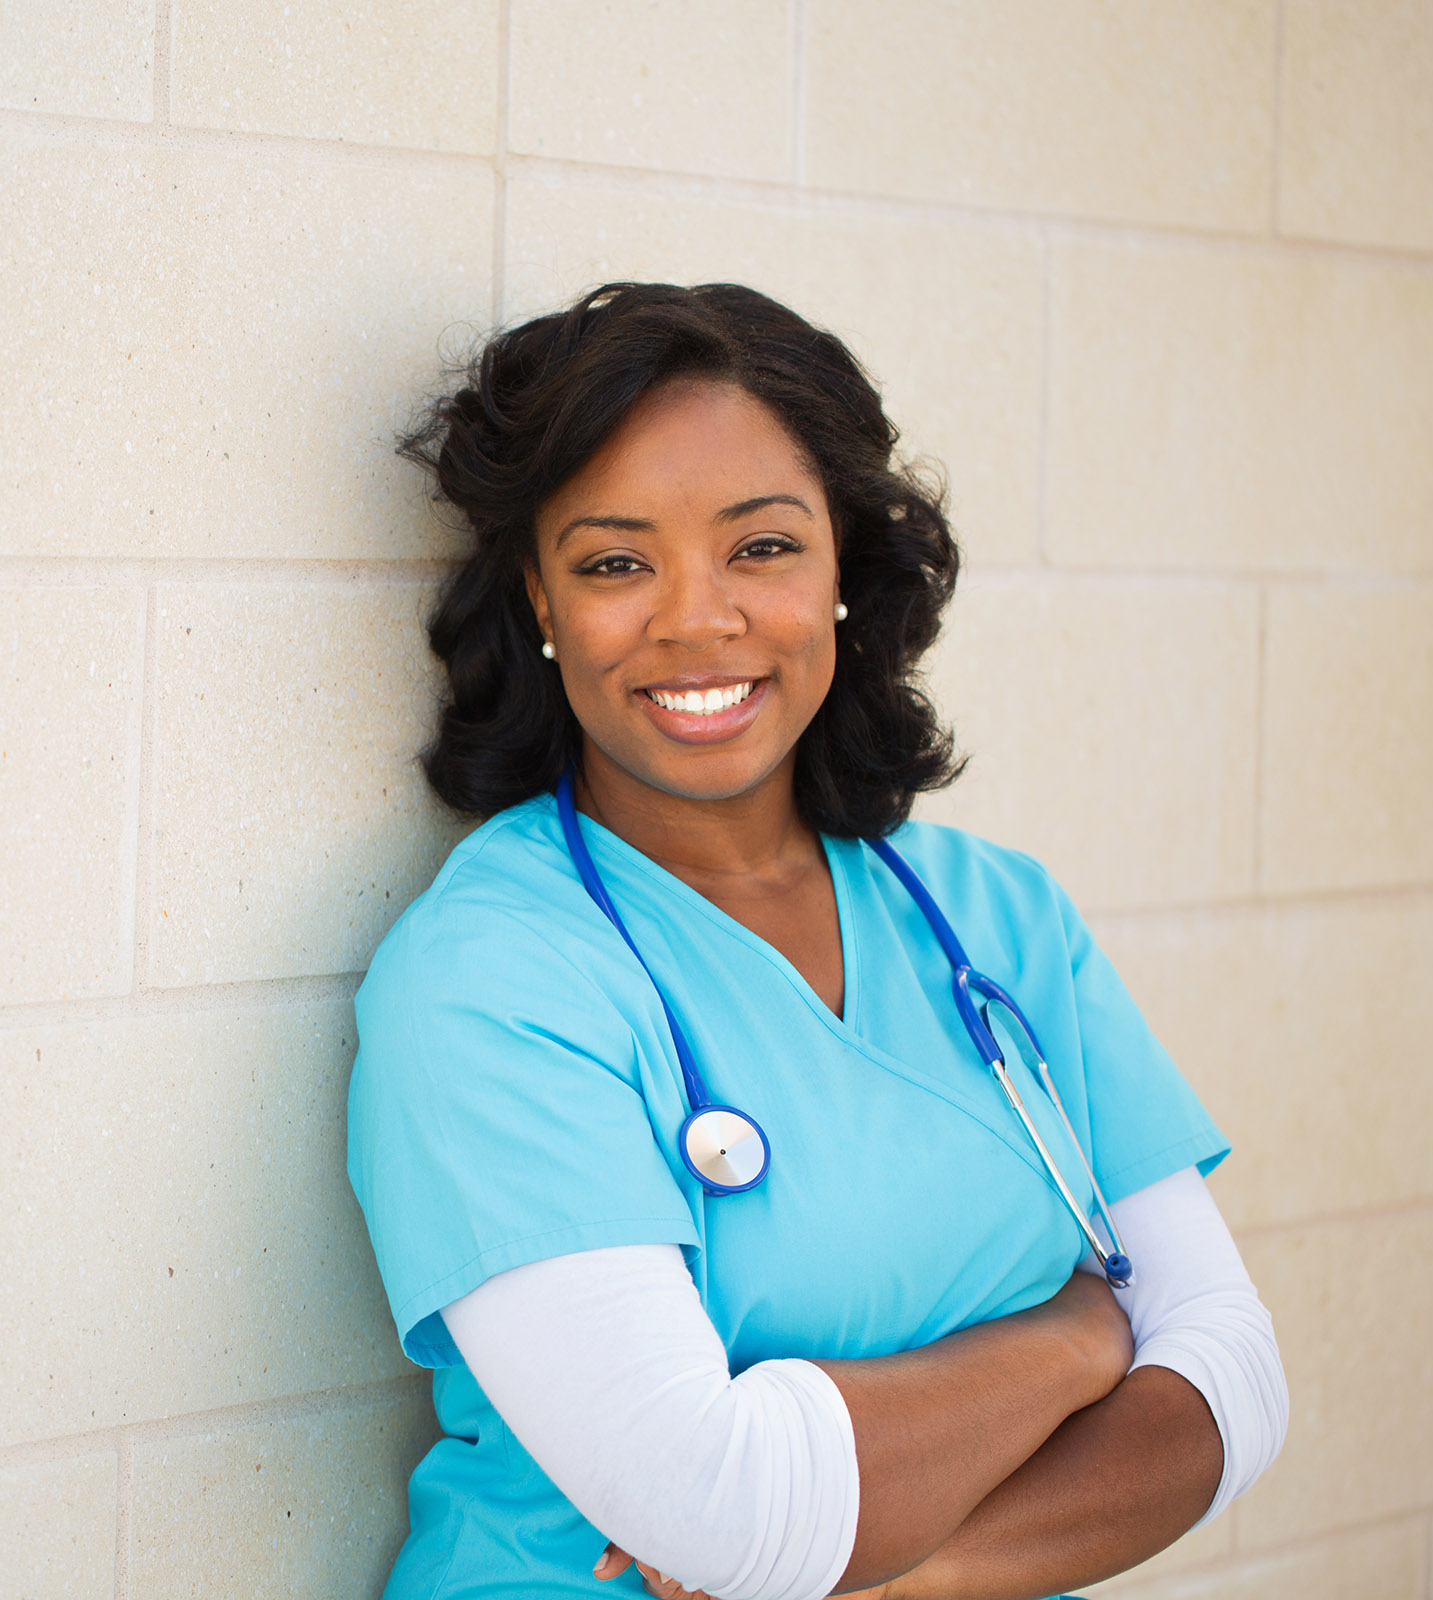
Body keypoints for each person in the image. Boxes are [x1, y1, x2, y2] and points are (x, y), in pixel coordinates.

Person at [345, 282, 1287, 1600]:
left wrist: (900, 1578)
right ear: (540, 604)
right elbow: (716, 1510)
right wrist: (1083, 1336)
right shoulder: (492, 982)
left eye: (763, 548)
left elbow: (1233, 1383)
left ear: (843, 567)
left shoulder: (993, 916)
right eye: (617, 562)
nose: (695, 619)